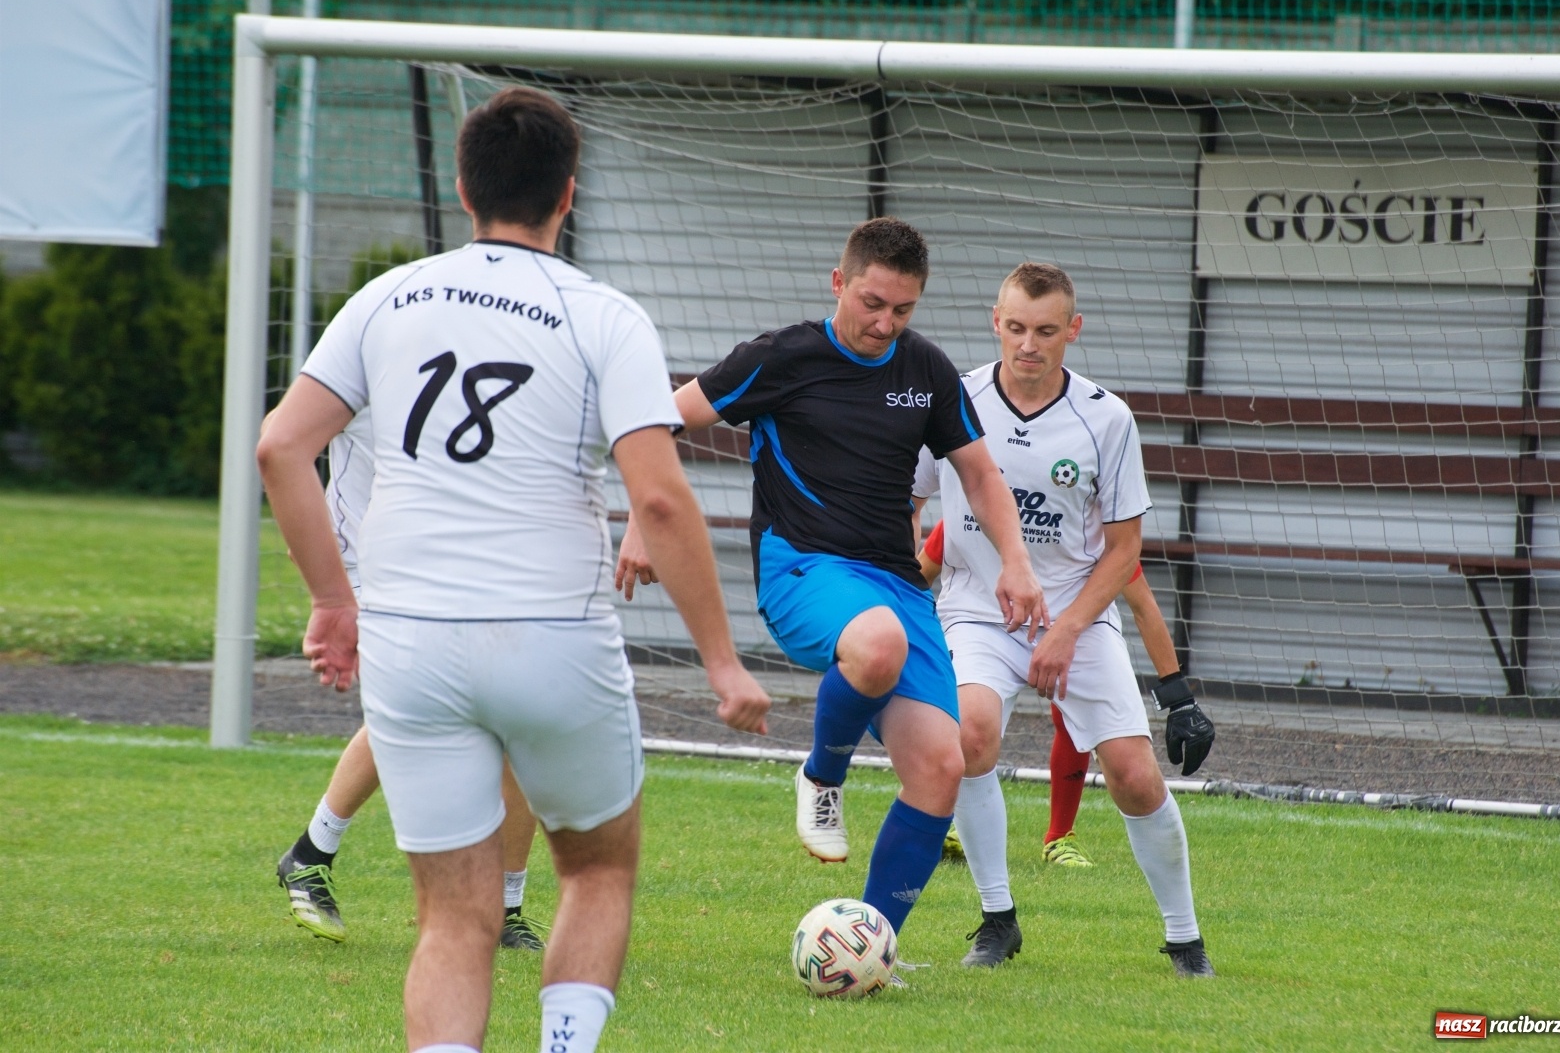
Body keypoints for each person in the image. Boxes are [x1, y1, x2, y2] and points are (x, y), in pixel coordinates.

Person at [257, 86, 771, 1053]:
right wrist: (722, 663)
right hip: (551, 635)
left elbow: (282, 447)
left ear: (463, 188)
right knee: (597, 870)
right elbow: (659, 499)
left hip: (411, 643)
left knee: (453, 918)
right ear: (568, 194)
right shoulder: (604, 315)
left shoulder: (387, 296)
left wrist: (334, 600)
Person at [614, 218, 1046, 946]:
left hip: (898, 586)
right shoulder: (782, 357)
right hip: (802, 568)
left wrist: (1018, 559)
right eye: (873, 303)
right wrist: (637, 519)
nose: (885, 323)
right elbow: (662, 422)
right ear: (839, 282)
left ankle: (870, 947)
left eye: (903, 310)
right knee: (876, 644)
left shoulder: (926, 371)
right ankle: (822, 774)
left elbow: (977, 471)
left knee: (944, 764)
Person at [910, 262, 1216, 976]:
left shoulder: (1106, 418)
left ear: (1071, 331)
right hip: (977, 613)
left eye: (1045, 330)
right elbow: (909, 497)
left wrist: (1069, 629)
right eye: (1015, 327)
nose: (1028, 344)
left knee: (1135, 775)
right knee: (969, 732)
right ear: (995, 321)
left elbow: (1125, 552)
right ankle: (997, 920)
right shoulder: (954, 400)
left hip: (1078, 617)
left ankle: (1185, 939)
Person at [274, 410, 549, 951]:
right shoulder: (368, 343)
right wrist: (308, 534)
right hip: (369, 570)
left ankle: (502, 907)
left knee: (518, 722)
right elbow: (282, 441)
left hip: (455, 567)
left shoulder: (478, 350)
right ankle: (311, 855)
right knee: (418, 705)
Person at [918, 526, 1211, 868]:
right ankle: (954, 824)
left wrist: (1178, 696)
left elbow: (1142, 603)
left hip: (1071, 635)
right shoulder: (969, 509)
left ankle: (1059, 836)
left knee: (1087, 728)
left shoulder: (1091, 527)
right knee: (970, 724)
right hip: (987, 631)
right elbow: (917, 576)